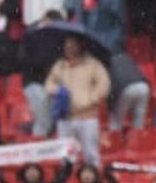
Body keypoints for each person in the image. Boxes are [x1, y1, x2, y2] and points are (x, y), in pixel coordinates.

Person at [43, 35, 108, 168]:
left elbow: (104, 84)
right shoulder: (59, 66)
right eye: (67, 45)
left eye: (72, 45)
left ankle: (93, 181)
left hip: (87, 116)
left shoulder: (93, 64)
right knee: (65, 155)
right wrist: (58, 91)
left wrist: (91, 98)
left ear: (79, 46)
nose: (69, 48)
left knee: (90, 153)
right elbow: (48, 85)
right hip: (65, 116)